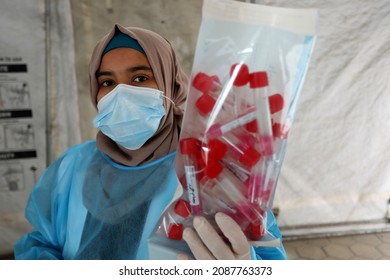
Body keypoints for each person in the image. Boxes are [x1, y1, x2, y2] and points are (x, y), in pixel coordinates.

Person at [14, 23, 287, 260]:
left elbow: (266, 255)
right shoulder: (72, 167)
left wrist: (243, 265)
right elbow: (41, 244)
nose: (122, 93)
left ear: (172, 85)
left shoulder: (211, 168)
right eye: (107, 82)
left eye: (140, 78)